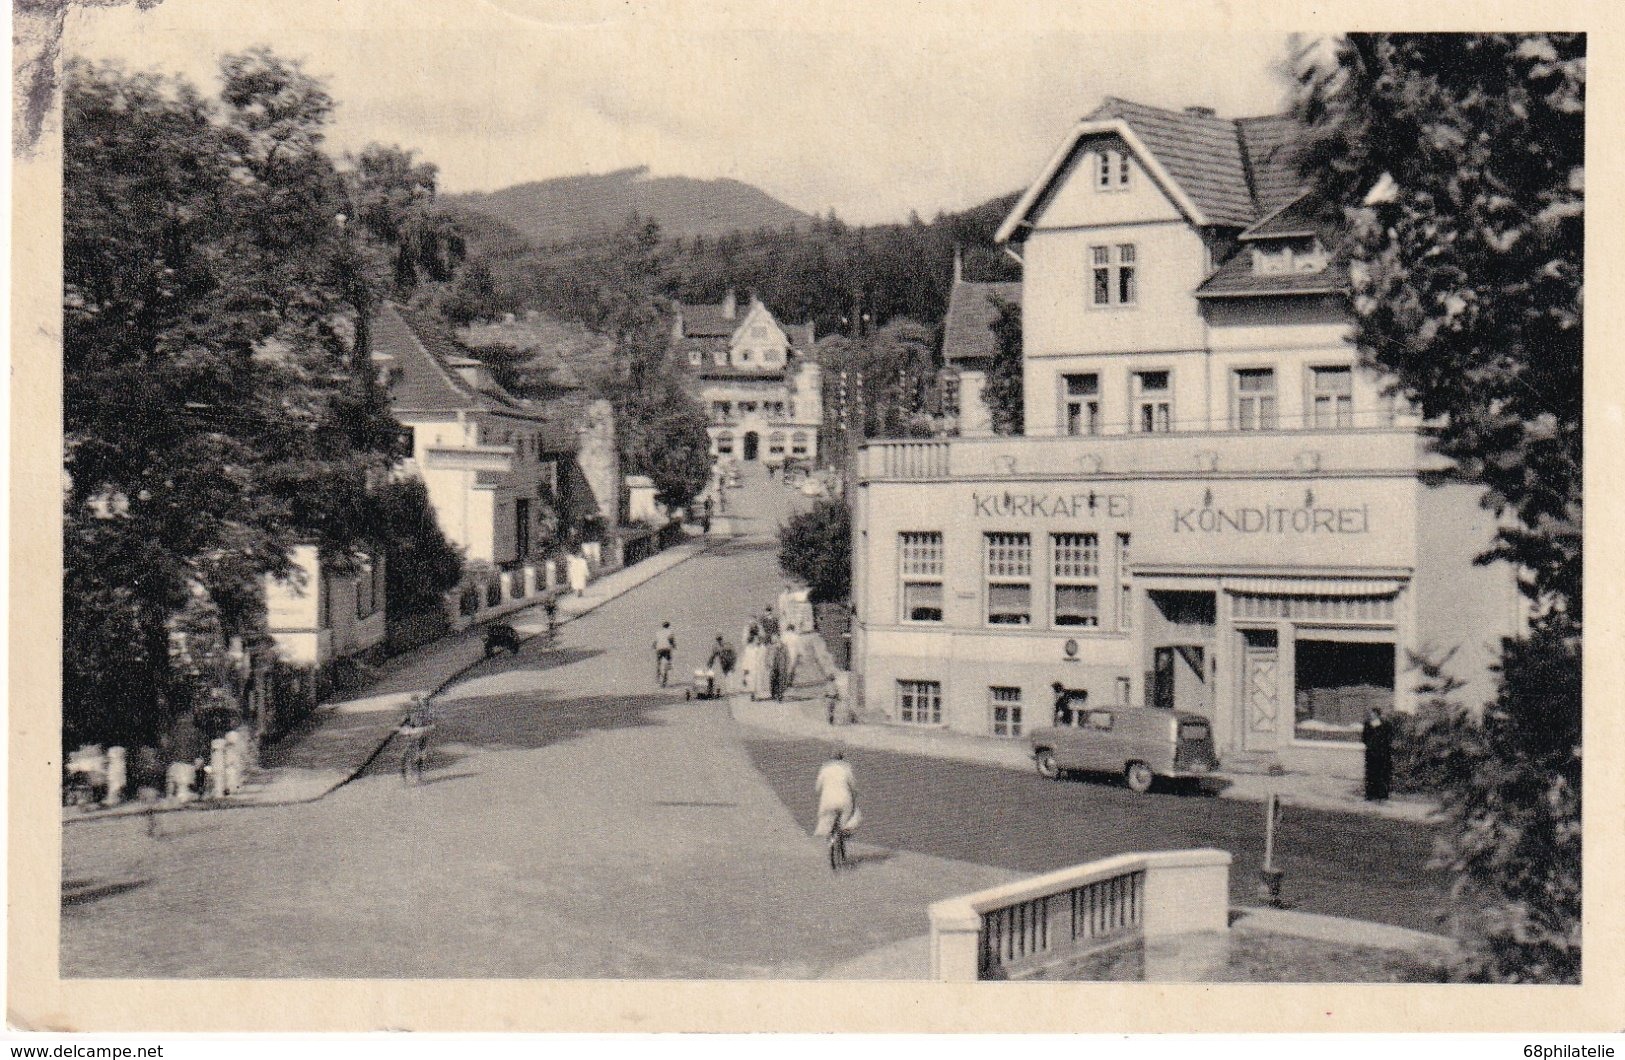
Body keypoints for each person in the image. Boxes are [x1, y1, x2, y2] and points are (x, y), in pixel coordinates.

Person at [814, 751, 859, 841]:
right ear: (842, 758)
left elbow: (817, 788)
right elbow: (853, 786)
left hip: (828, 801)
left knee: (826, 819)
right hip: (844, 800)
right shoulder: (846, 768)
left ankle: (829, 839)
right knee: (852, 816)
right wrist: (855, 795)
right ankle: (844, 832)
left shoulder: (825, 769)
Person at [1361, 706, 1394, 802]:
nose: (1370, 715)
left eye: (1372, 713)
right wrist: (1370, 746)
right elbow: (1364, 738)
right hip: (1371, 754)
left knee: (1382, 774)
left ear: (1377, 715)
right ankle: (1370, 795)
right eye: (1370, 714)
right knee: (1371, 774)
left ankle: (1382, 795)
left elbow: (1389, 738)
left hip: (1383, 754)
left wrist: (1382, 747)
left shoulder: (1386, 724)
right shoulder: (1367, 725)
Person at [654, 621, 677, 686]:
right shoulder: (670, 632)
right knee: (667, 662)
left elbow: (656, 641)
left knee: (659, 662)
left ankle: (658, 674)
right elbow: (671, 640)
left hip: (659, 649)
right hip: (667, 649)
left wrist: (654, 646)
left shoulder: (658, 632)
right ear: (668, 626)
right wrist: (674, 645)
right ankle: (665, 678)